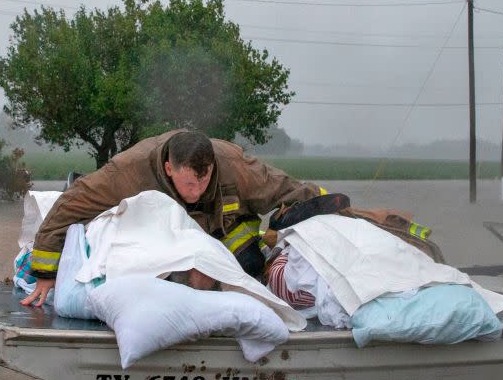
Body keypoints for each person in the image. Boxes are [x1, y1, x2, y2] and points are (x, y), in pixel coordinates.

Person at [21, 129, 326, 307]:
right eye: (189, 184)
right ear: (168, 169)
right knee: (181, 287)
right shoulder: (130, 172)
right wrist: (46, 271)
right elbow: (69, 205)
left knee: (250, 268)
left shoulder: (234, 166)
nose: (197, 190)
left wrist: (326, 204)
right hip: (162, 240)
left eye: (204, 182)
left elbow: (285, 188)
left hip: (224, 234)